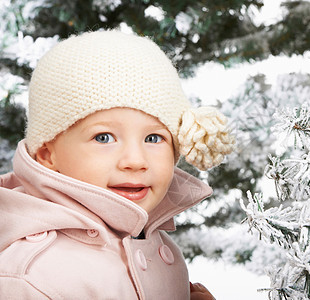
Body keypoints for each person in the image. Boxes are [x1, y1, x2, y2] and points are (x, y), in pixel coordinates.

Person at [0, 30, 233, 299]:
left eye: (153, 137)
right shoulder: (32, 278)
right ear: (47, 154)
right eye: (104, 137)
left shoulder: (153, 243)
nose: (135, 160)